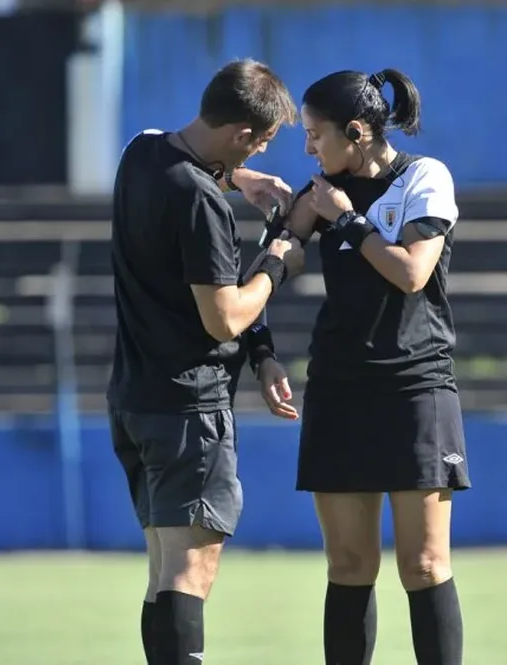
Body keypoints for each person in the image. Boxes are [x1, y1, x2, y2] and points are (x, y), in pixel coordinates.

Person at [106, 58, 305, 665]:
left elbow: (178, 164)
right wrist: (278, 263)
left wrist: (237, 177)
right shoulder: (202, 205)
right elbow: (225, 317)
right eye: (261, 142)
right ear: (243, 134)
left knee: (164, 570)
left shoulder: (138, 155)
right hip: (188, 408)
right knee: (190, 573)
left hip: (135, 400)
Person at [279, 68, 469, 665]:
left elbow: (412, 273)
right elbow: (280, 257)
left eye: (315, 135)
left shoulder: (423, 176)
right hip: (339, 389)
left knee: (423, 564)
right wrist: (281, 236)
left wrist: (346, 221)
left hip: (416, 386)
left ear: (357, 131)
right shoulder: (319, 191)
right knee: (350, 565)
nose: (308, 148)